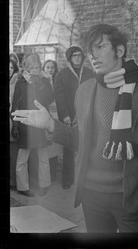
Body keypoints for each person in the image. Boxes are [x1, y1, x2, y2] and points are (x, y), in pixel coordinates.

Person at [12, 24, 138, 232]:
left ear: (119, 50)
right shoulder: (85, 91)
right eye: (90, 50)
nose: (92, 55)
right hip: (91, 195)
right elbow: (78, 139)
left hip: (130, 195)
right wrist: (50, 124)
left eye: (100, 47)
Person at [11, 53, 54, 197]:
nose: (35, 70)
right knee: (23, 157)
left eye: (37, 67)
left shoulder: (44, 81)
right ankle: (23, 187)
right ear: (27, 68)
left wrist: (41, 84)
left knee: (43, 156)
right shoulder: (21, 82)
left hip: (41, 122)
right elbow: (16, 103)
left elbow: (49, 99)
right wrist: (15, 126)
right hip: (25, 123)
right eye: (32, 68)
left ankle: (44, 184)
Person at [53, 46, 93, 189]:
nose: (77, 58)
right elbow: (59, 96)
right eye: (74, 56)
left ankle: (86, 179)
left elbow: (93, 93)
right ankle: (68, 179)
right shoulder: (62, 75)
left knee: (86, 147)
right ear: (69, 58)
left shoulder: (89, 73)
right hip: (68, 117)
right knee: (69, 148)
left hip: (86, 116)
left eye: (79, 56)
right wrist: (65, 116)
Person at [9, 58, 20, 190]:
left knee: (13, 154)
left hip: (12, 121)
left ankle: (12, 181)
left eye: (11, 67)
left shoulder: (16, 83)